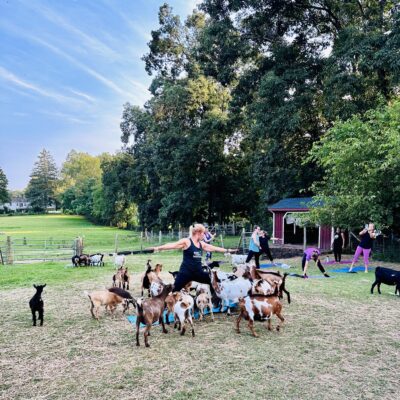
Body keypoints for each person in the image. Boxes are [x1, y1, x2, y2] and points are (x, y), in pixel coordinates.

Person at [151, 224, 235, 292]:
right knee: (174, 291)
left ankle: (215, 301)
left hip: (198, 273)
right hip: (185, 273)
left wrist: (227, 250)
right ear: (198, 233)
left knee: (214, 281)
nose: (204, 235)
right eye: (203, 233)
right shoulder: (187, 242)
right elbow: (172, 245)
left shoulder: (201, 244)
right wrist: (158, 248)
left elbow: (214, 248)